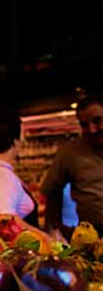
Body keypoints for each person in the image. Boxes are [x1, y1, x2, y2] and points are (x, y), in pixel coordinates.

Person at [41, 94, 103, 234]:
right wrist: (54, 231)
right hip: (93, 235)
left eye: (97, 121)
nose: (92, 130)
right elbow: (52, 191)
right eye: (84, 125)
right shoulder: (70, 152)